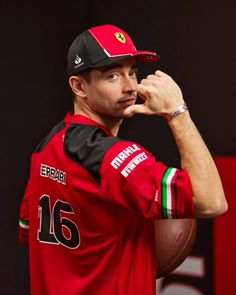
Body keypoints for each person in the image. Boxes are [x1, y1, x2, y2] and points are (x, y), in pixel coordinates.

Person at [18, 24, 227, 295]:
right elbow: (212, 202)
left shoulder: (46, 146)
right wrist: (177, 112)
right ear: (79, 86)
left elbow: (26, 229)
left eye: (132, 73)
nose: (130, 87)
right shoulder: (110, 155)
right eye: (113, 76)